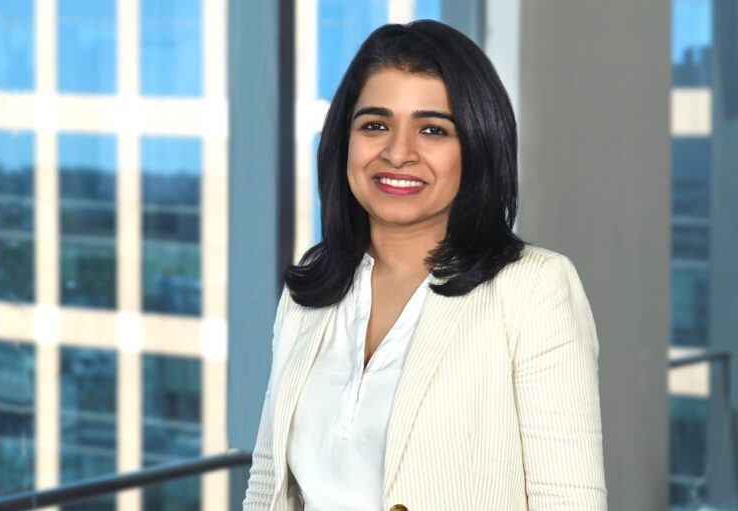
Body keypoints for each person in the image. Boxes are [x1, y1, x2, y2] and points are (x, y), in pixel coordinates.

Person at [243, 20, 606, 511]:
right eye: (375, 125)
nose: (397, 153)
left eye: (432, 129)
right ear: (344, 140)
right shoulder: (311, 287)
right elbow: (267, 482)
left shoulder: (534, 289)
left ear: (477, 146)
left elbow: (569, 501)